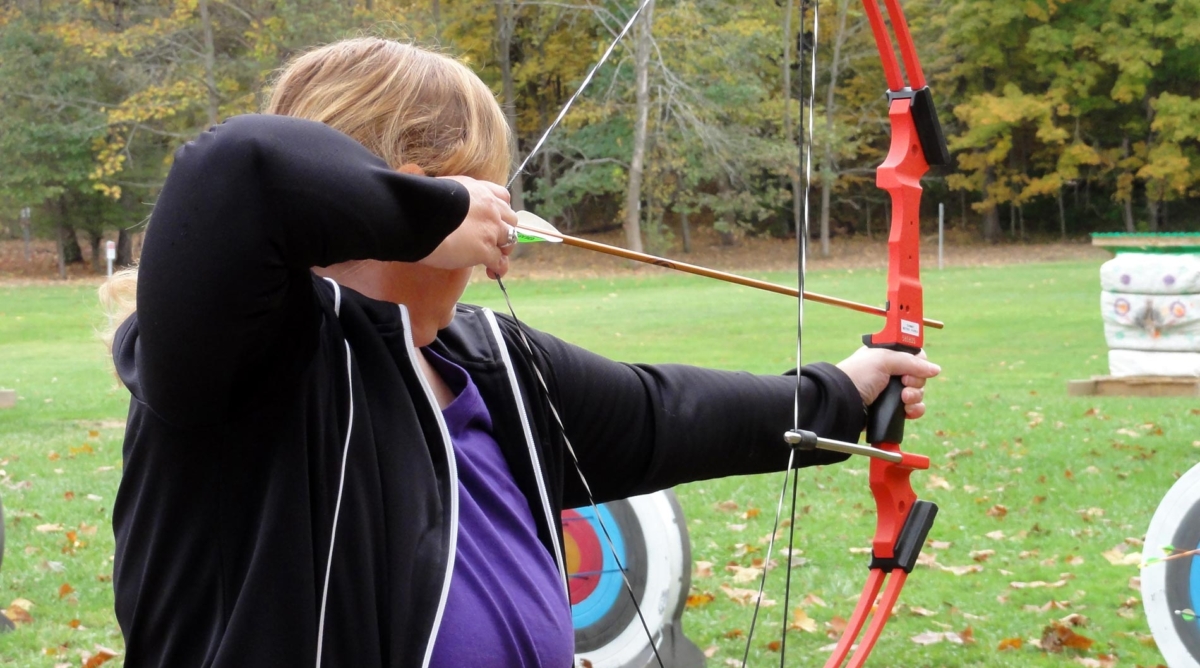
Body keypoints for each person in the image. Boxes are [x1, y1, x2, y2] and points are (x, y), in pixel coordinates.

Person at [100, 37, 940, 667]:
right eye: (489, 195)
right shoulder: (240, 357)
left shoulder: (484, 360)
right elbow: (235, 171)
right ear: (419, 188)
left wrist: (845, 389)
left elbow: (660, 415)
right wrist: (427, 211)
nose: (501, 231)